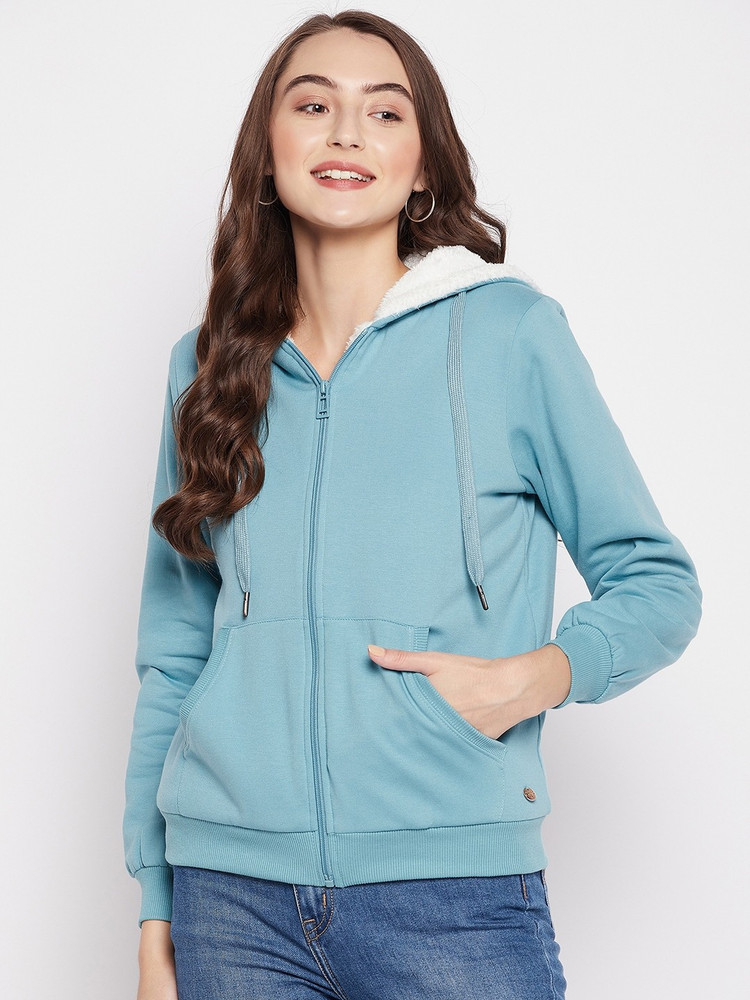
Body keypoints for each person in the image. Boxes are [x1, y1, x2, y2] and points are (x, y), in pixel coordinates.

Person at [123, 10, 702, 999]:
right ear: (268, 152)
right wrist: (155, 905)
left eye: (385, 113)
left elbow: (657, 582)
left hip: (452, 892)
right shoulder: (208, 366)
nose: (348, 133)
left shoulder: (510, 335)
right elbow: (175, 651)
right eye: (313, 106)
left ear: (423, 166)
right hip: (229, 898)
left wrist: (534, 677)